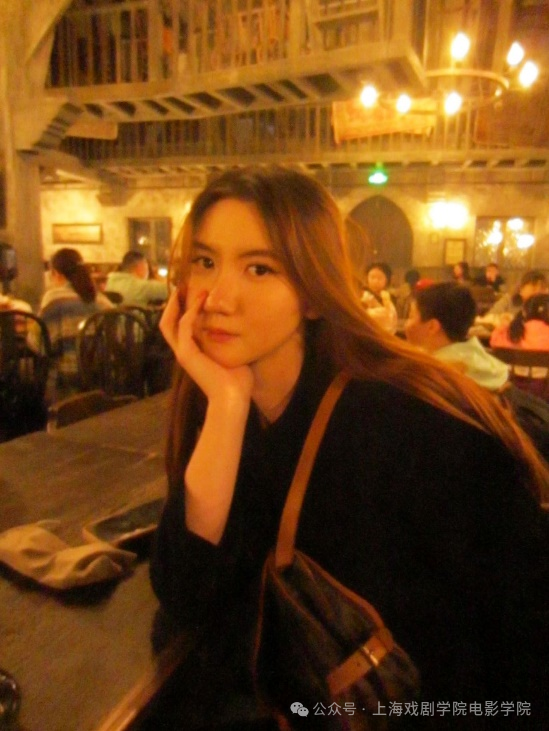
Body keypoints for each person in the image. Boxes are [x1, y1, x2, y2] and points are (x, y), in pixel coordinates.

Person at [150, 166, 549, 730]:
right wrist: (227, 407)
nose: (217, 297)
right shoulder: (224, 399)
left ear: (315, 295)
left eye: (260, 268)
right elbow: (187, 593)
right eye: (205, 261)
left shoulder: (411, 427)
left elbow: (524, 658)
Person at [405, 281, 549, 463]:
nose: (407, 324)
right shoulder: (485, 363)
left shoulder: (436, 378)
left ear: (432, 326)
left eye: (411, 316)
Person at [31, 248, 112, 399]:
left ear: (56, 273)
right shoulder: (102, 300)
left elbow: (37, 343)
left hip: (66, 382)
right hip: (103, 379)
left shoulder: (54, 299)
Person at [482, 269, 548, 326]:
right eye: (533, 289)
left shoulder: (545, 307)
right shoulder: (509, 300)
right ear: (521, 289)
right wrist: (502, 319)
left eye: (542, 289)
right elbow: (488, 318)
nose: (537, 293)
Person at [360, 261, 398, 333]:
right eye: (372, 277)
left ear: (387, 280)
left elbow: (392, 317)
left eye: (380, 278)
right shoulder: (364, 295)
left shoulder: (388, 296)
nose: (375, 281)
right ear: (367, 278)